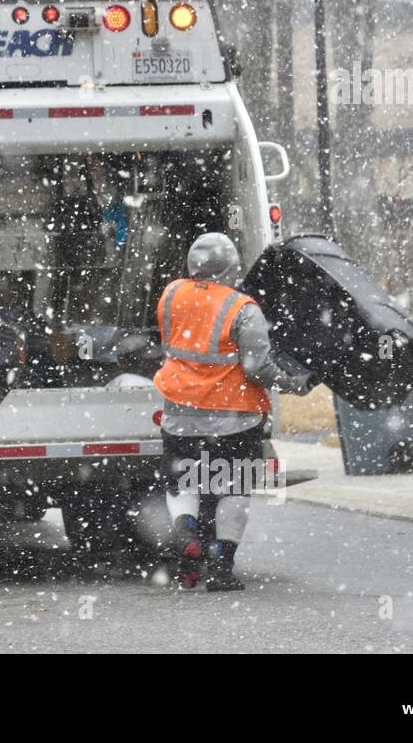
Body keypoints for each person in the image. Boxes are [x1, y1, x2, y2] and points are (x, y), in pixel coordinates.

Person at [153, 232, 314, 591]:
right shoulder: (243, 309)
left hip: (180, 412)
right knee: (233, 488)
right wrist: (296, 383)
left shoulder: (171, 295)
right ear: (231, 268)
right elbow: (257, 368)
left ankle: (186, 535)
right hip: (234, 417)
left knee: (183, 481)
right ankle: (222, 570)